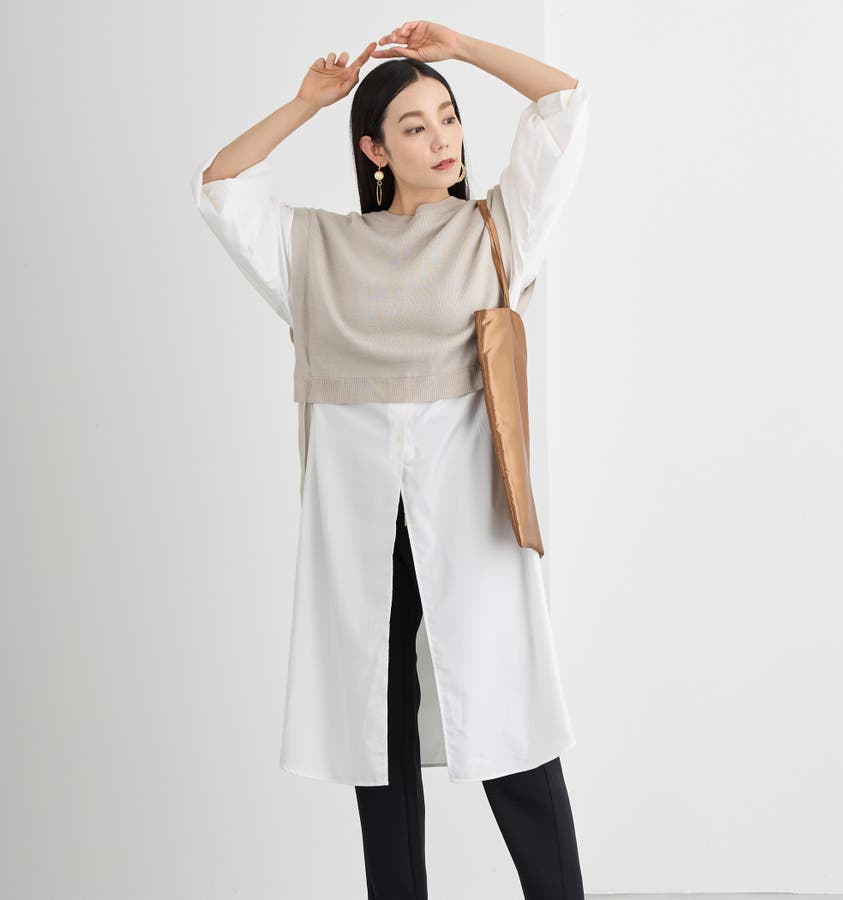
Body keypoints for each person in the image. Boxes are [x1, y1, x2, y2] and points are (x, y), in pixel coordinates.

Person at [191, 20, 589, 898]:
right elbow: (219, 185)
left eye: (448, 118)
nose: (443, 139)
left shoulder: (496, 231)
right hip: (362, 527)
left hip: (471, 517)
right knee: (381, 737)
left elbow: (563, 104)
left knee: (511, 717)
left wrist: (466, 50)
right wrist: (306, 103)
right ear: (374, 150)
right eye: (414, 126)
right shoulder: (318, 251)